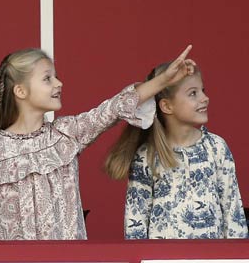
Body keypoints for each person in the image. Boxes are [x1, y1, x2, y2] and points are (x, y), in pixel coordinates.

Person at [0, 45, 195, 240]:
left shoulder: (67, 134)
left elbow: (114, 108)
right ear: (20, 90)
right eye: (47, 78)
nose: (59, 83)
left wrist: (163, 80)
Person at [104, 63, 248, 239]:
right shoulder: (146, 156)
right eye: (193, 93)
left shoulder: (216, 147)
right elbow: (136, 223)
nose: (205, 98)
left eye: (203, 90)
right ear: (167, 106)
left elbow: (233, 212)